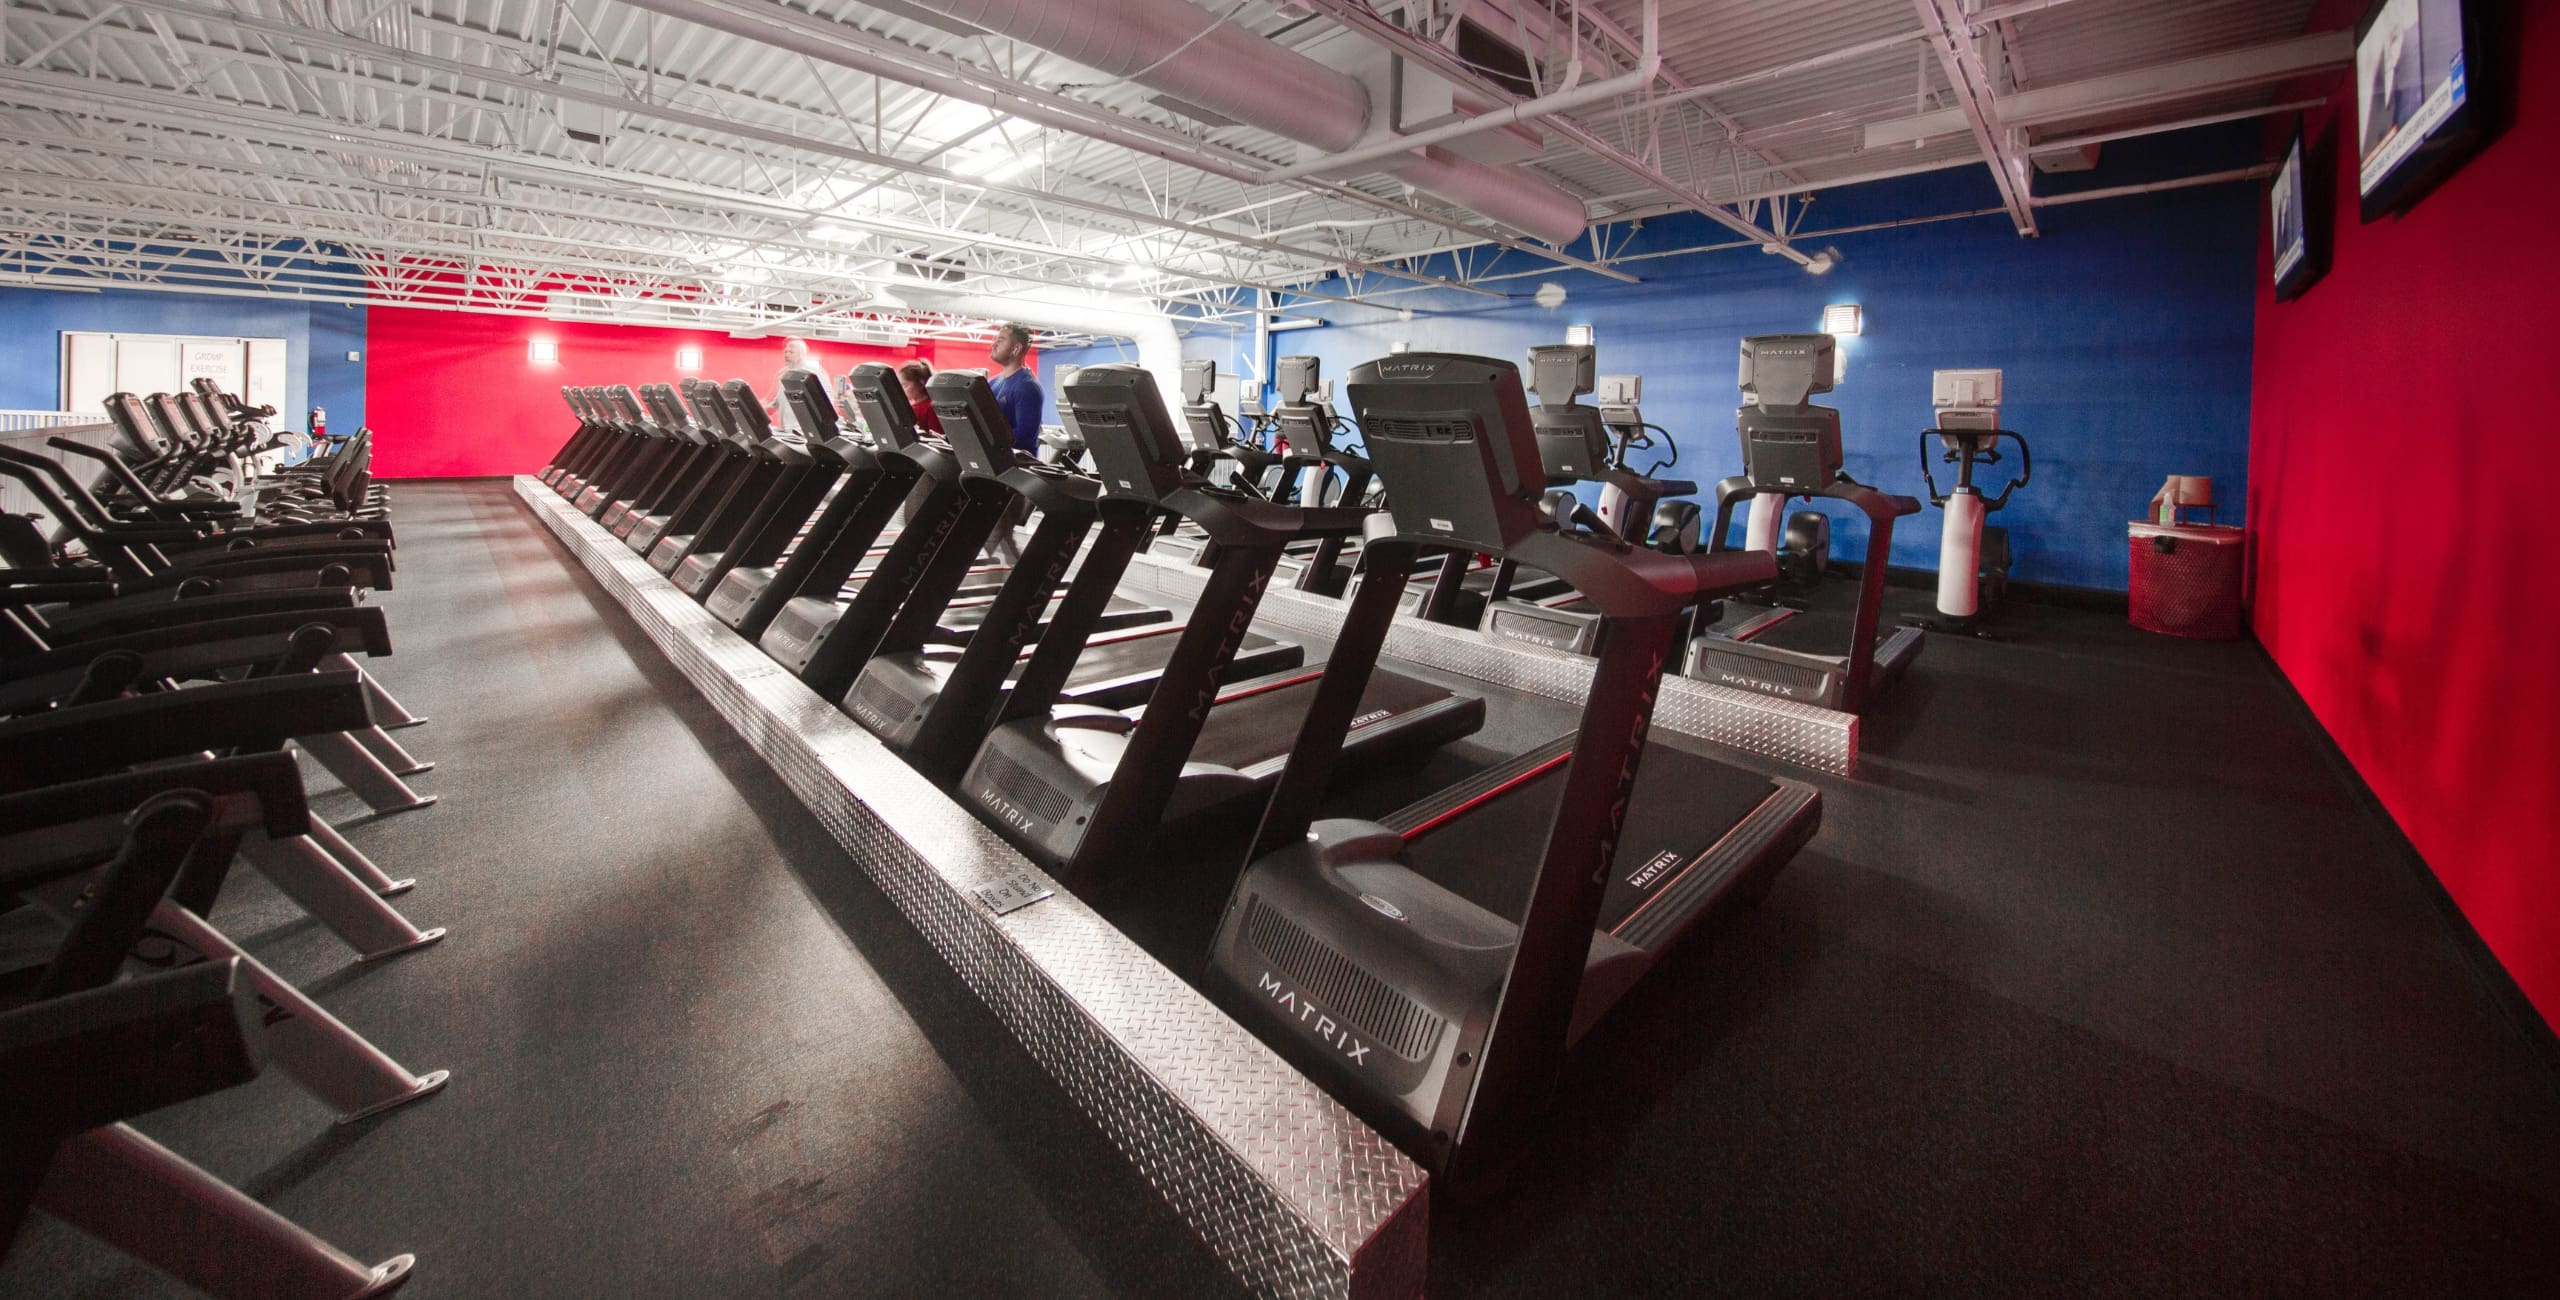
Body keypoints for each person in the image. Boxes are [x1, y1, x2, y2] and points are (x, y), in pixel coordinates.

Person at [986, 322, 1043, 455]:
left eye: (1001, 340)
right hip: (993, 461)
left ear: (1016, 349)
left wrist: (984, 437)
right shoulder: (992, 383)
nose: (993, 344)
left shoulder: (1027, 387)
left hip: (1015, 467)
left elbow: (1023, 438)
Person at [766, 338, 834, 443]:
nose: (786, 355)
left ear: (802, 354)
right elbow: (777, 402)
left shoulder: (814, 371)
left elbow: (827, 398)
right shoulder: (785, 374)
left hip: (804, 431)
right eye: (785, 352)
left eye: (791, 352)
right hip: (787, 430)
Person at [898, 359, 944, 436]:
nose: (901, 390)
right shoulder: (910, 407)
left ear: (921, 383)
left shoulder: (931, 408)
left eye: (905, 385)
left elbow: (938, 439)